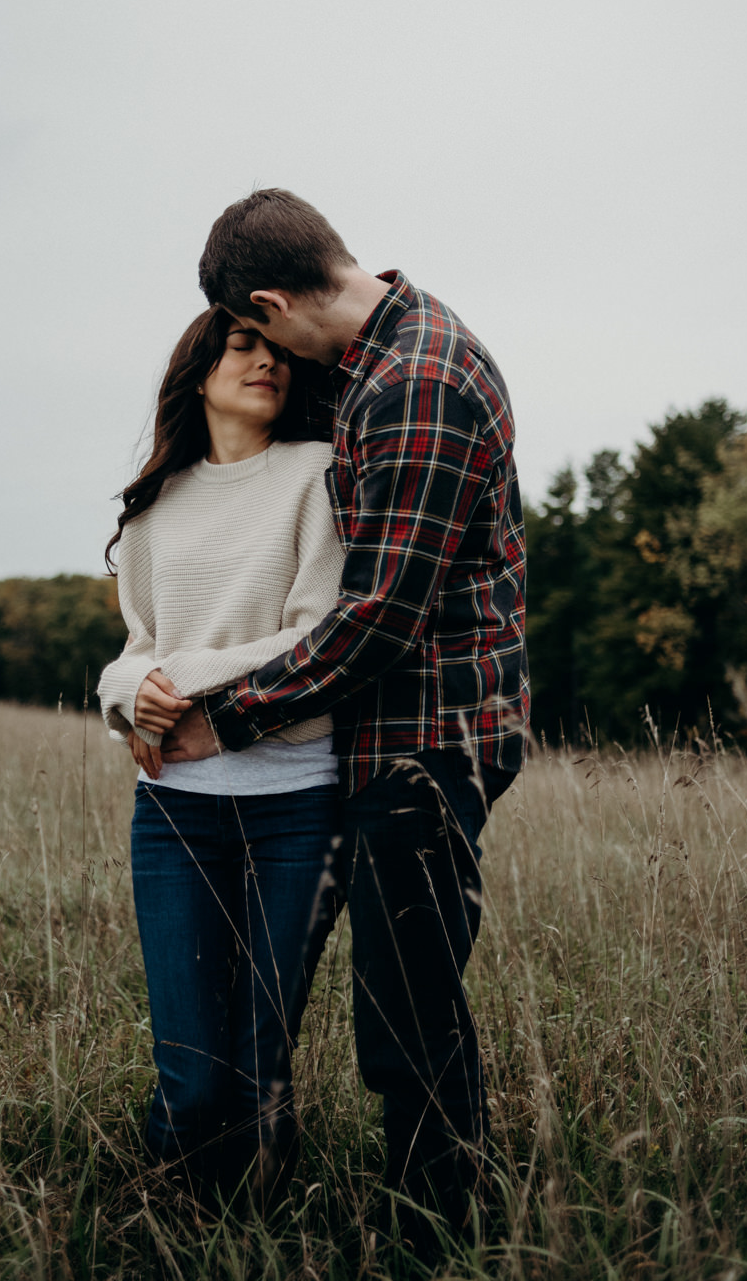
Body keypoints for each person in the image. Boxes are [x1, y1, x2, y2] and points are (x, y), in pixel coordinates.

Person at [162, 189, 529, 1256]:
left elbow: (378, 621)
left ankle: (434, 1234)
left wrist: (220, 719)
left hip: (427, 738)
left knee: (408, 1013)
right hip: (387, 735)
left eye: (256, 326)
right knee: (398, 1001)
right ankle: (416, 1211)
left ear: (274, 299)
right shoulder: (381, 358)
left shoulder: (416, 383)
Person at [97, 305, 345, 1213]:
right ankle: (164, 1229)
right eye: (243, 347)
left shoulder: (315, 475)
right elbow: (138, 648)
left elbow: (317, 633)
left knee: (256, 1066)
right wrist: (127, 693)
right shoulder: (156, 503)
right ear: (198, 372)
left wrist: (180, 678)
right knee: (190, 1074)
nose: (267, 362)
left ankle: (258, 1235)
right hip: (175, 811)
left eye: (279, 351)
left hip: (298, 807)